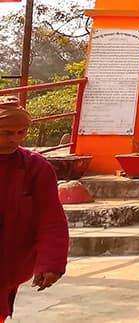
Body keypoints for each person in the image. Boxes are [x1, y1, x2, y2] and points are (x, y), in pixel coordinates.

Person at [0, 102, 69, 322]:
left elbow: (51, 220)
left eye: (21, 132)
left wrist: (51, 263)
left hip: (8, 262)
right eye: (7, 133)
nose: (16, 139)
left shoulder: (36, 168)